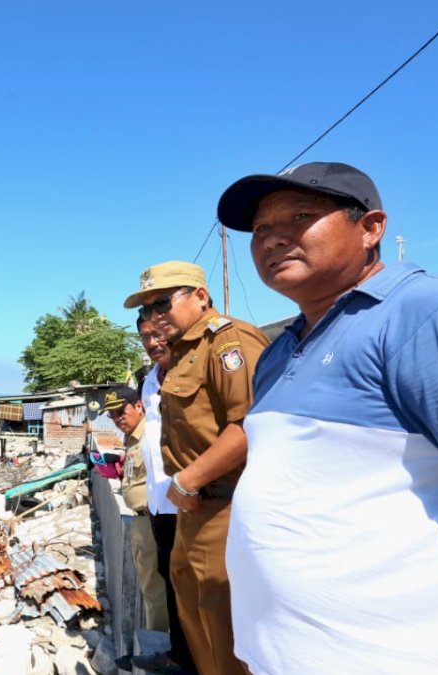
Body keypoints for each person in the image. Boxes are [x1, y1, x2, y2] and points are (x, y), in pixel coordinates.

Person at [217, 161, 438, 673]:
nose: (273, 239)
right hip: (280, 655)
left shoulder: (424, 312)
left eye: (301, 216)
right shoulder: (279, 350)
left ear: (371, 228)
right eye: (261, 228)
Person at [123, 261, 268, 675]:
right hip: (191, 509)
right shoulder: (183, 355)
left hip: (223, 506)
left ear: (200, 296)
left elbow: (249, 425)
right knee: (195, 621)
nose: (154, 317)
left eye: (162, 304)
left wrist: (187, 480)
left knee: (223, 630)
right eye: (145, 312)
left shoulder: (228, 342)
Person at [130, 316, 195, 674]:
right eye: (145, 337)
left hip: (189, 500)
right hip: (159, 502)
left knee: (196, 589)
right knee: (170, 581)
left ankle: (198, 660)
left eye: (159, 334)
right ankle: (177, 656)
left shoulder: (193, 372)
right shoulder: (149, 380)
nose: (153, 342)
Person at [101, 386, 170, 640]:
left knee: (154, 588)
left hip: (152, 519)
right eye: (112, 415)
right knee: (147, 585)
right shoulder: (131, 438)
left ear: (138, 406)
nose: (118, 419)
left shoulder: (151, 435)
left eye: (122, 411)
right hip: (140, 520)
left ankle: (158, 644)